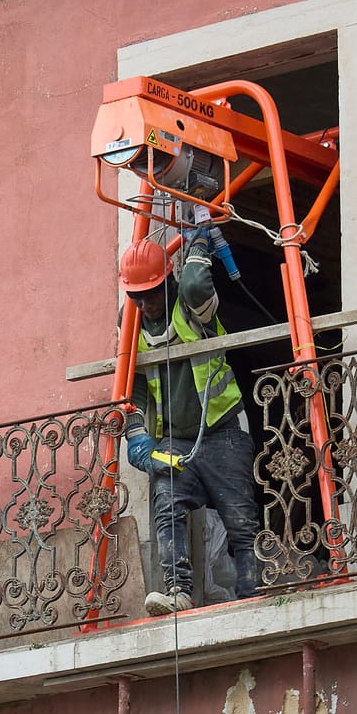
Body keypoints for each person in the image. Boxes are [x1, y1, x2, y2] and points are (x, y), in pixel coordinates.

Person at [121, 225, 262, 616]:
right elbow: (130, 383)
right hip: (175, 439)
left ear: (168, 281)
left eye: (151, 293)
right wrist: (135, 433)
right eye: (137, 295)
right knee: (167, 509)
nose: (145, 302)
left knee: (239, 518)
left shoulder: (188, 302)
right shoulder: (130, 321)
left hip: (223, 430)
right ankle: (177, 591)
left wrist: (200, 242)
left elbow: (198, 283)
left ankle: (252, 590)